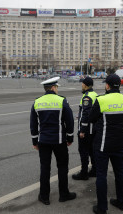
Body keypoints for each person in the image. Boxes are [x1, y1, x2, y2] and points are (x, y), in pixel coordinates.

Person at [30, 77, 76, 205]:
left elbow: (33, 124)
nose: (57, 89)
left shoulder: (37, 102)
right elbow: (70, 121)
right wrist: (70, 137)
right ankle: (64, 194)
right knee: (62, 167)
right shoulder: (62, 100)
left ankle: (44, 196)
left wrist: (35, 142)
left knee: (45, 168)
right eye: (57, 87)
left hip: (43, 141)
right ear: (54, 87)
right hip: (59, 140)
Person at [89, 74, 123, 214]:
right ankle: (122, 201)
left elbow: (91, 118)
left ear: (107, 85)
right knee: (120, 173)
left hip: (103, 144)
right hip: (119, 144)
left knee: (101, 175)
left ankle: (102, 208)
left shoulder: (101, 99)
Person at [72, 76, 98, 180]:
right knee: (92, 151)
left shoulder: (87, 97)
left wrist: (82, 130)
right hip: (93, 129)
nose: (81, 85)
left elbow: (86, 114)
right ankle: (94, 170)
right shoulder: (95, 94)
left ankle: (84, 173)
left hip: (87, 130)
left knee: (83, 151)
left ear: (86, 85)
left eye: (82, 84)